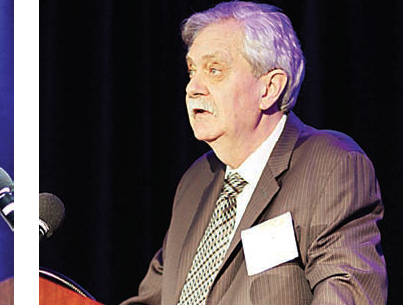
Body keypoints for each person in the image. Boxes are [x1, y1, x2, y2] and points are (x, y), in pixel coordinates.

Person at [122, 1, 386, 304]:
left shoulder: (331, 165)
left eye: (215, 70)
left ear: (270, 88)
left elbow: (346, 295)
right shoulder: (195, 181)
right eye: (192, 70)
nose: (192, 87)